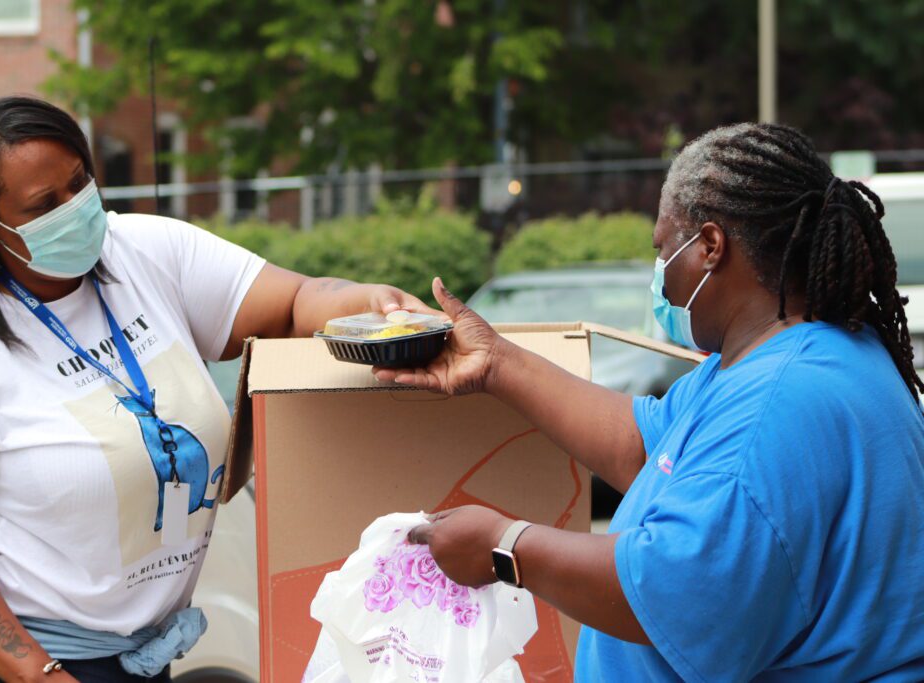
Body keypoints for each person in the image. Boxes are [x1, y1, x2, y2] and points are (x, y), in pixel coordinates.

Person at [0, 96, 432, 683]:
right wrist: (42, 674)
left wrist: (370, 304)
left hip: (145, 655)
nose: (74, 210)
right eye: (44, 205)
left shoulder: (146, 253)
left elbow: (293, 304)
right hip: (29, 664)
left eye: (80, 184)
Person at [377, 123, 924, 680]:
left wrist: (503, 547)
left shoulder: (776, 401)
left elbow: (678, 587)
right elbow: (642, 449)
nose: (660, 277)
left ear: (710, 247)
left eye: (664, 249)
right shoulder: (789, 360)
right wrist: (496, 362)